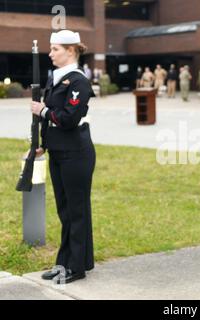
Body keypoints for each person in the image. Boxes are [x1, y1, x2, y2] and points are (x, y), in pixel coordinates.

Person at [30, 30, 96, 284]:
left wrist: (43, 110)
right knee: (65, 211)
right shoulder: (57, 79)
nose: (50, 53)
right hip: (59, 151)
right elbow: (53, 121)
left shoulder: (78, 81)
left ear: (70, 51)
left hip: (76, 153)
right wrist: (43, 146)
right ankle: (66, 262)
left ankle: (76, 267)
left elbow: (68, 118)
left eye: (55, 49)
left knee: (77, 211)